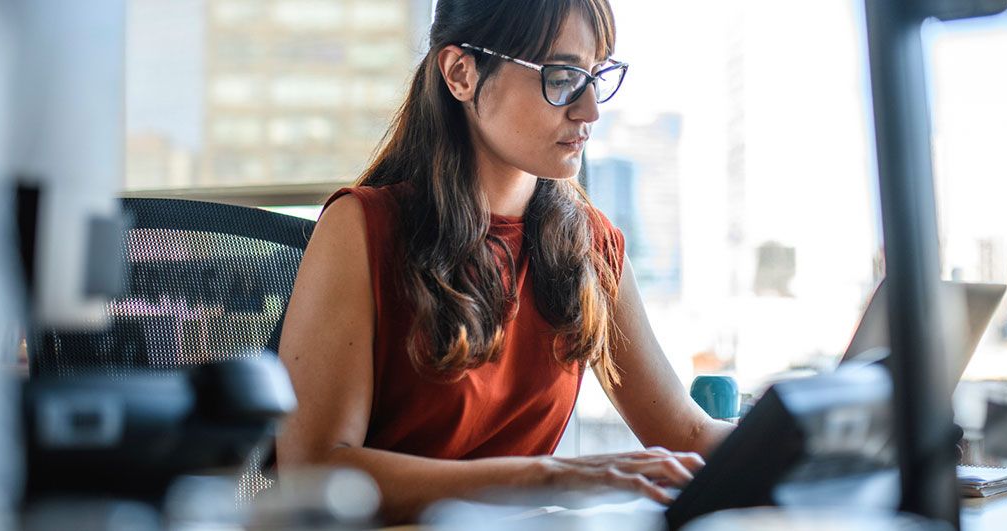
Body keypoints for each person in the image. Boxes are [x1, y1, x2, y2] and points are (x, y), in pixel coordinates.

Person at [275, 0, 735, 522]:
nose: (590, 111)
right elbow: (311, 470)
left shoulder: (590, 244)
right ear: (461, 73)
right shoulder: (363, 228)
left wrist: (814, 438)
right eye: (561, 76)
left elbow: (686, 432)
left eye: (595, 75)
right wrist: (550, 477)